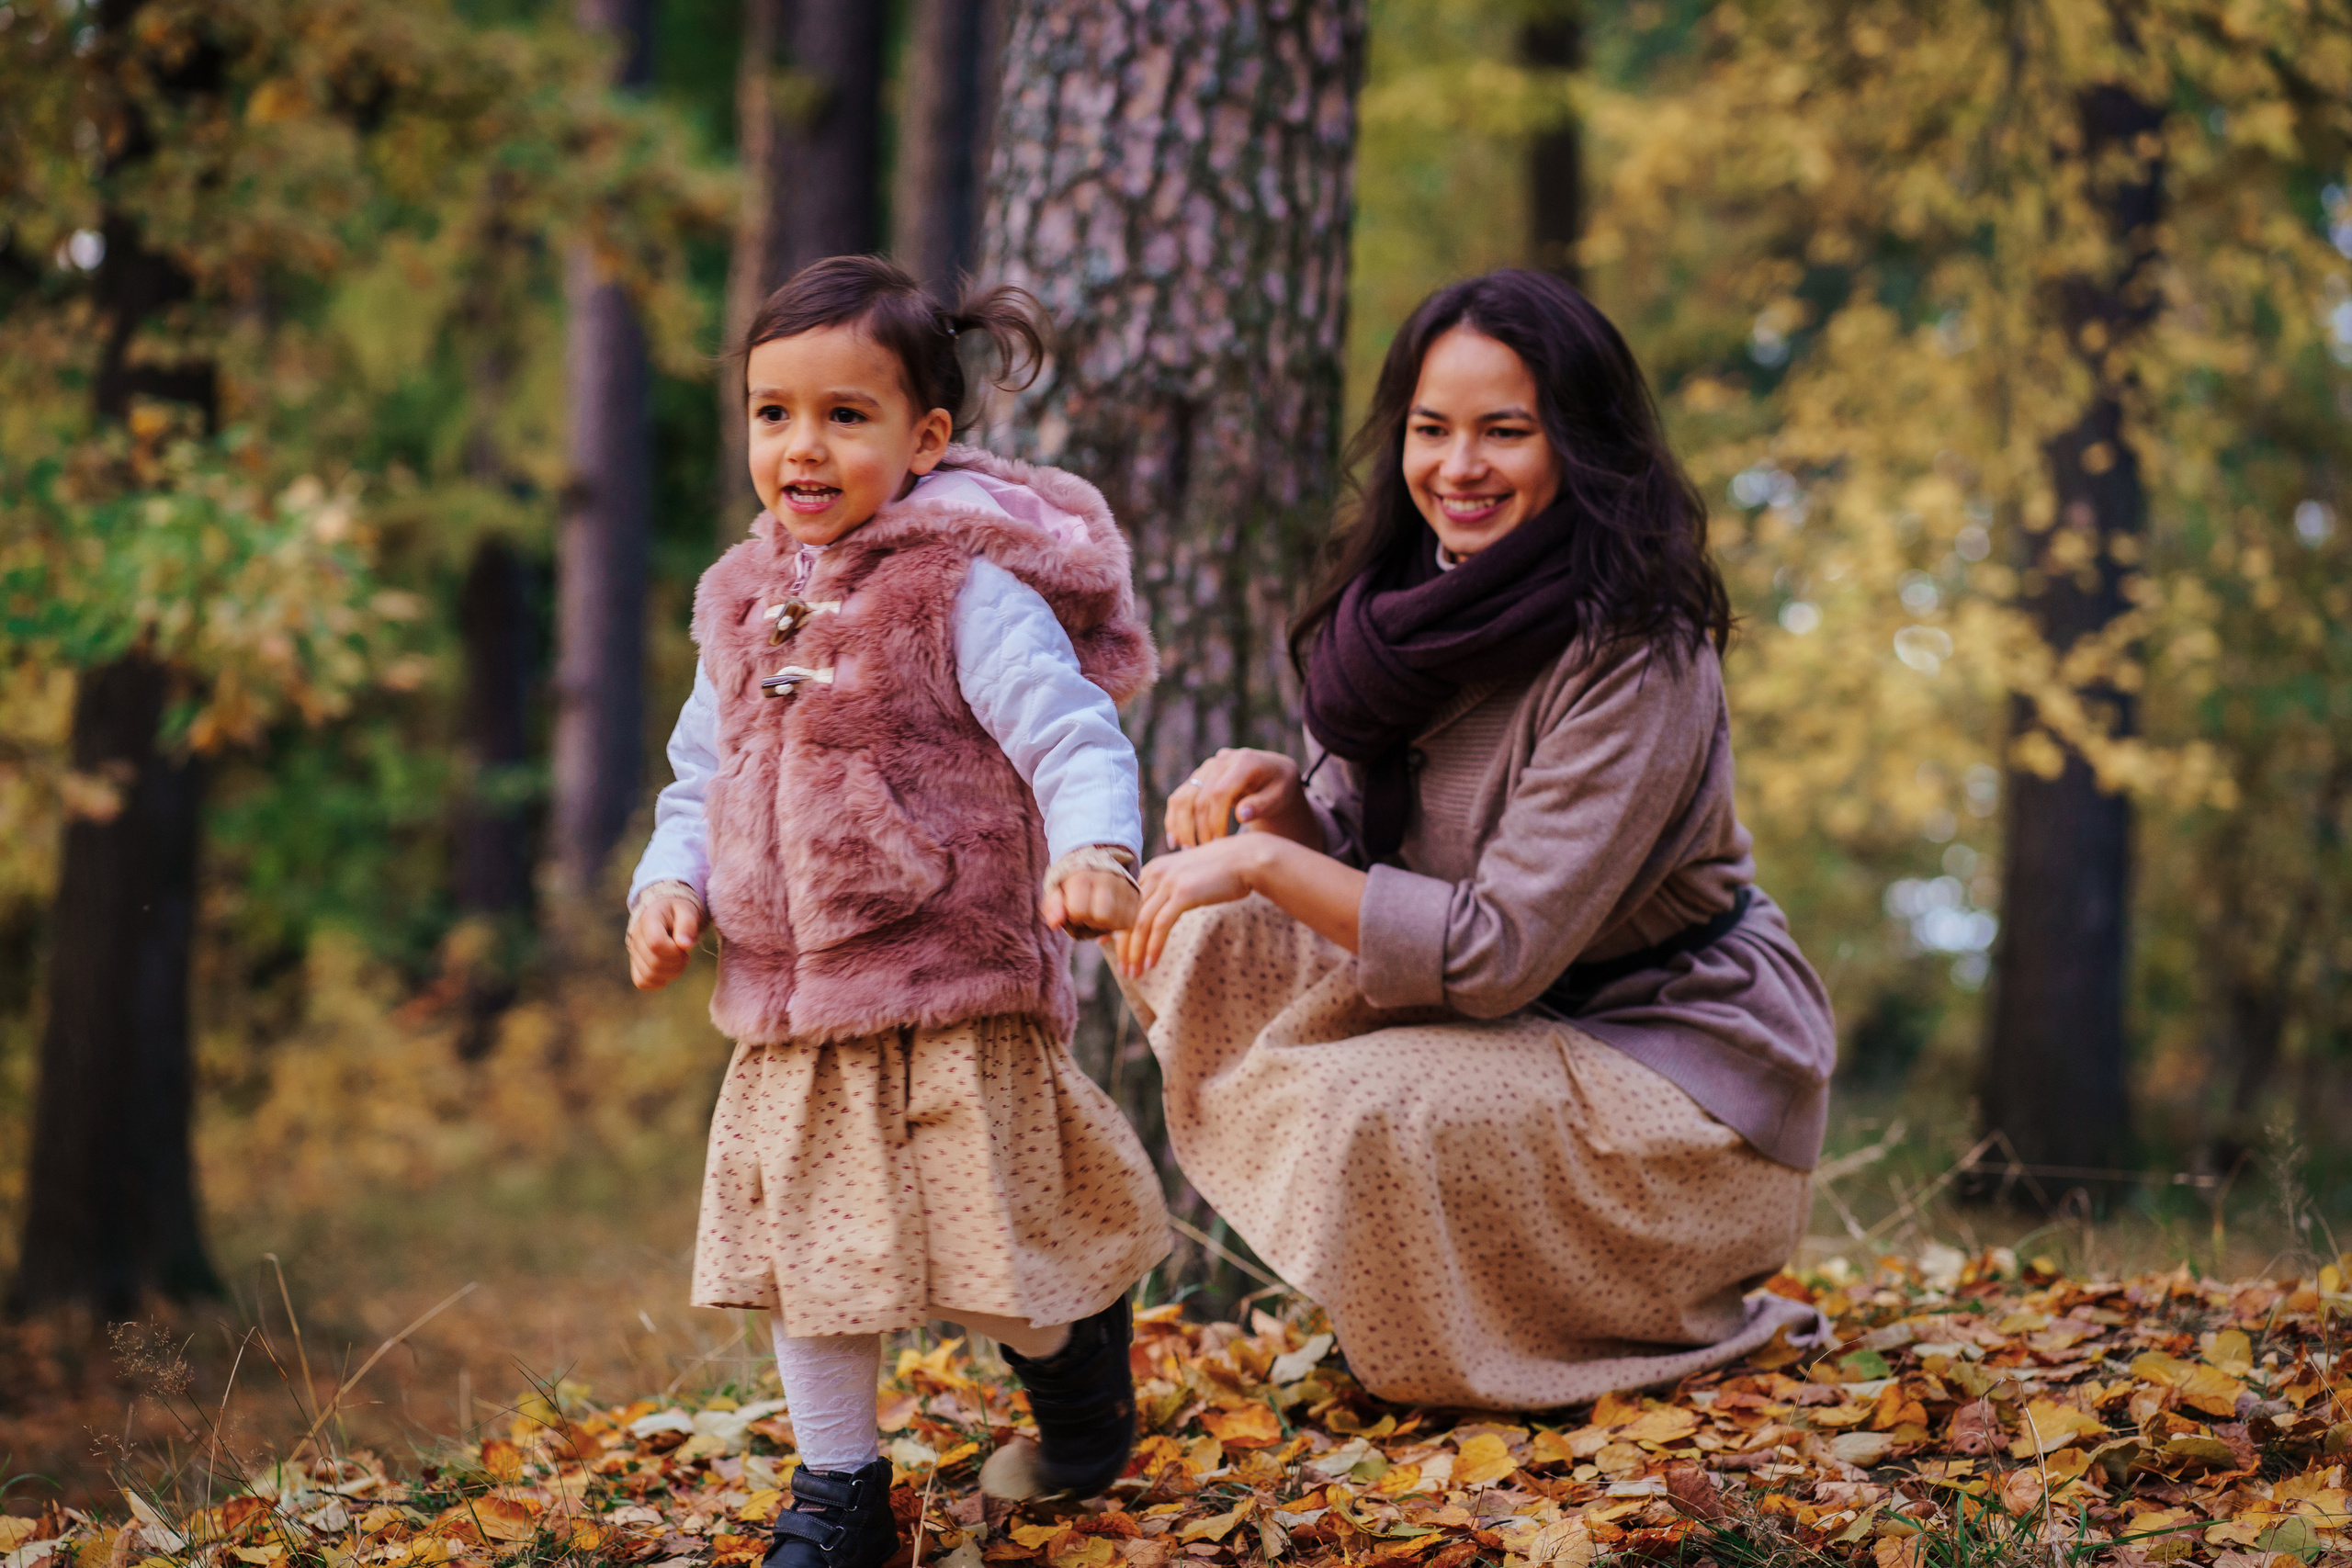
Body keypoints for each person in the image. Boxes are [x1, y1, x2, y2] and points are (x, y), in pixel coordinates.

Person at [1108, 268, 1836, 1411]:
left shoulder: (1638, 642)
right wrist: (1287, 810)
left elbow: (1493, 955)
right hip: (1508, 1023)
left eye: (1505, 432)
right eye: (1431, 430)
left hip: (1673, 1076)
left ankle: (1543, 1332)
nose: (1459, 468)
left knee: (1366, 1105)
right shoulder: (1393, 610)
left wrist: (1262, 858)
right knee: (1190, 924)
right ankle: (1422, 1289)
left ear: (1580, 445)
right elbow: (1372, 878)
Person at [626, 256, 1170, 1568]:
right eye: (773, 412)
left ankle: (1076, 1363)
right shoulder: (741, 602)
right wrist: (669, 879)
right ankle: (840, 1492)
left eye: (845, 414)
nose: (801, 444)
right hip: (792, 1003)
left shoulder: (962, 591)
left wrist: (1099, 848)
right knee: (811, 1255)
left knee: (1003, 1261)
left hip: (948, 985)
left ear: (925, 437)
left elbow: (1072, 735)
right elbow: (700, 768)